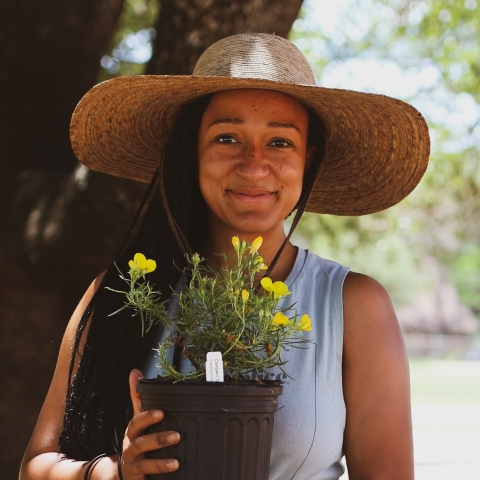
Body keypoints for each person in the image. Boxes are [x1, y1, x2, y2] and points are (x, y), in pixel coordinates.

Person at [20, 33, 429, 480]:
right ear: (190, 152)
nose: (254, 165)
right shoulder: (119, 294)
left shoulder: (354, 306)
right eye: (227, 137)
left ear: (308, 160)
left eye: (280, 142)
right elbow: (35, 469)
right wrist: (113, 473)